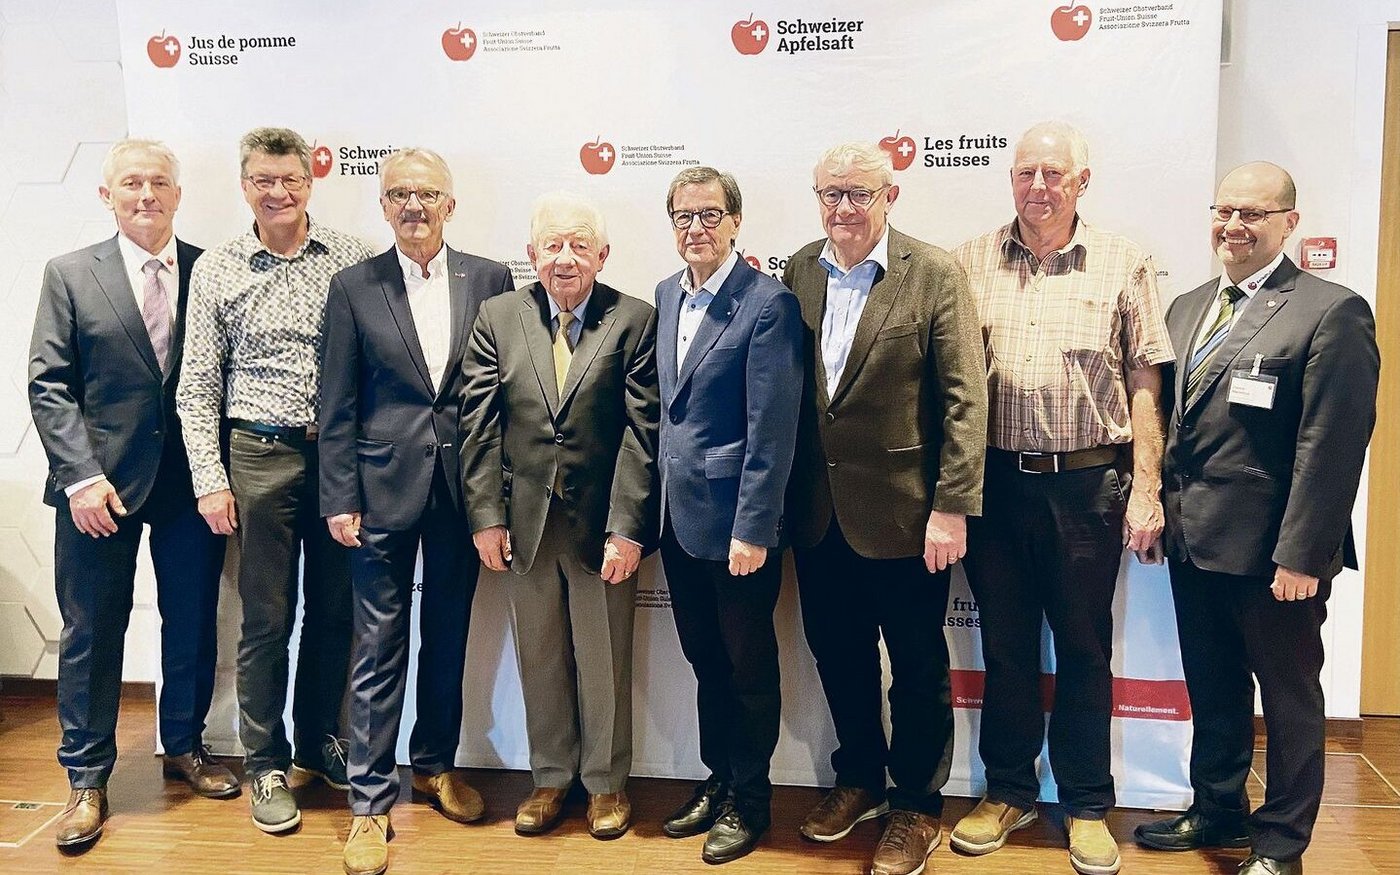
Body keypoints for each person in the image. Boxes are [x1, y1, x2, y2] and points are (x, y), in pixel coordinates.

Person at [1133, 162, 1379, 875]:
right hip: (1194, 539)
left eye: (1253, 214)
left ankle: (1280, 846)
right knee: (1213, 685)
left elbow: (1332, 445)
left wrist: (1303, 553)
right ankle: (1217, 807)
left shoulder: (1330, 310)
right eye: (1224, 211)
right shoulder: (1185, 306)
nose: (1233, 225)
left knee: (1291, 697)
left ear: (1288, 224)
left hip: (1276, 554)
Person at [950, 120, 1174, 875]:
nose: (1038, 186)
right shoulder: (970, 260)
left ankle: (1084, 802)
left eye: (1054, 173)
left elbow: (1147, 379)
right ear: (1009, 179)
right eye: (1025, 172)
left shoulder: (1122, 260)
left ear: (1082, 180)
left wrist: (1147, 486)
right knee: (1006, 645)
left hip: (1088, 485)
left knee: (1082, 647)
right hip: (994, 485)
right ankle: (1009, 790)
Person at [782, 142, 988, 875]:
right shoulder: (800, 267)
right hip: (817, 512)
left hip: (908, 517)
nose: (844, 207)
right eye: (830, 192)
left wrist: (953, 504)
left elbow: (965, 395)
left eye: (858, 193)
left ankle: (916, 806)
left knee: (917, 664)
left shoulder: (930, 271)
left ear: (890, 195)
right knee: (837, 655)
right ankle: (859, 779)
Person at [28, 138, 235, 849]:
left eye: (159, 183)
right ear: (107, 195)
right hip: (98, 490)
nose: (146, 195)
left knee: (192, 620)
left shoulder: (213, 269)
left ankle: (183, 744)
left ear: (178, 194)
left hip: (188, 484)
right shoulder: (69, 274)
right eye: (131, 184)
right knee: (91, 633)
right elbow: (48, 384)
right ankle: (87, 778)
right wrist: (81, 477)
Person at [318, 148, 514, 875]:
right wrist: (337, 495)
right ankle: (370, 803)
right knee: (378, 646)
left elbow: (497, 395)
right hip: (377, 490)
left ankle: (435, 765)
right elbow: (334, 402)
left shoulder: (489, 278)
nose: (414, 205)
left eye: (427, 192)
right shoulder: (353, 285)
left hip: (463, 489)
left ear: (450, 204)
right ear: (383, 204)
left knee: (450, 634)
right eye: (399, 193)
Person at [177, 126, 373, 833]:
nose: (278, 191)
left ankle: (321, 740)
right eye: (264, 180)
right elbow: (197, 384)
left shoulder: (350, 258)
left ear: (310, 182)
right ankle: (265, 762)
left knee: (334, 609)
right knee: (265, 616)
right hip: (256, 455)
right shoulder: (220, 268)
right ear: (245, 185)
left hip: (338, 457)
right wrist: (209, 475)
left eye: (289, 179)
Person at [460, 191, 659, 841]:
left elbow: (642, 432)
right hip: (522, 525)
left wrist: (628, 525)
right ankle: (550, 777)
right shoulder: (497, 317)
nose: (565, 258)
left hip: (603, 527)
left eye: (580, 244)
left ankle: (605, 783)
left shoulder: (633, 319)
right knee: (540, 656)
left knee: (604, 661)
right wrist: (486, 515)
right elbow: (479, 424)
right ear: (531, 255)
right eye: (552, 244)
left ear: (603, 254)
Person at [653, 166, 803, 865]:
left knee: (748, 666)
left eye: (710, 215)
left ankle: (752, 796)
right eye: (684, 216)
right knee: (705, 659)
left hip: (737, 527)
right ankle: (718, 777)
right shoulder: (665, 294)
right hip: (678, 522)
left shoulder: (766, 303)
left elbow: (771, 431)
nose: (696, 228)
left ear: (736, 222)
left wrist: (754, 526)